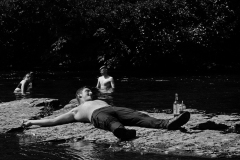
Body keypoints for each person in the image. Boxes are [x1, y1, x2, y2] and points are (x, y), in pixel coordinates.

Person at [22, 86, 191, 141]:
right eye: (87, 91)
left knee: (140, 116)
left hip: (114, 108)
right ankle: (122, 133)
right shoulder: (76, 110)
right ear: (79, 95)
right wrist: (32, 123)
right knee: (109, 122)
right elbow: (54, 121)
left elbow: (135, 115)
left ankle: (168, 124)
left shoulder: (100, 100)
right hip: (97, 114)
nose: (91, 93)